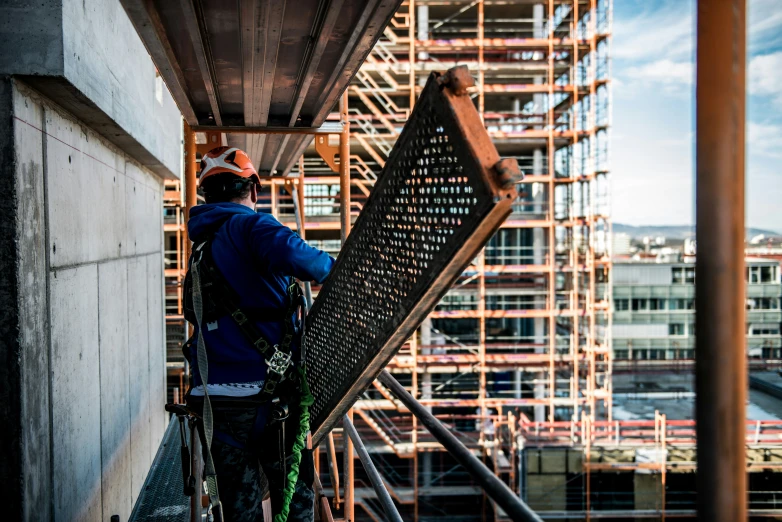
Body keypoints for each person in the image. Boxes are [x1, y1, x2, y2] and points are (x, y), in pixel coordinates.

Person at [183, 146, 334, 521]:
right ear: (254, 189)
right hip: (266, 398)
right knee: (295, 499)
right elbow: (307, 262)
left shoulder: (201, 250)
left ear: (207, 195)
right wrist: (341, 269)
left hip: (213, 402)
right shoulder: (251, 226)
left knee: (238, 508)